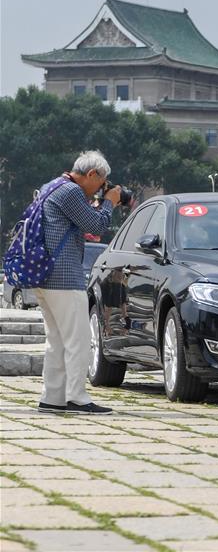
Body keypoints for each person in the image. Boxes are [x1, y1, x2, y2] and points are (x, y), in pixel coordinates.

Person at [35, 150, 121, 415]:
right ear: (92, 174)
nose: (101, 188)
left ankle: (53, 398)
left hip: (45, 276)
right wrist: (109, 202)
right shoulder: (70, 191)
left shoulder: (53, 186)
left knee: (58, 340)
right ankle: (77, 398)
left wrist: (97, 201)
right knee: (79, 340)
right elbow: (96, 226)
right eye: (101, 182)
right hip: (64, 277)